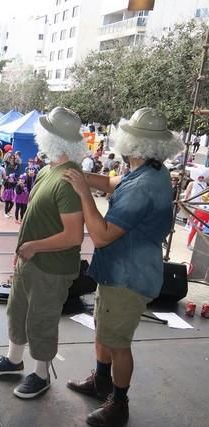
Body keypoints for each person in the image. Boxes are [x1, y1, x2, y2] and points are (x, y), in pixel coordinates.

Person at [63, 108, 183, 427]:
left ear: (133, 141)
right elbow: (113, 182)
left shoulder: (142, 186)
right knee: (104, 331)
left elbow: (101, 236)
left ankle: (119, 402)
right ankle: (101, 381)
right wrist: (77, 173)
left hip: (128, 277)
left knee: (117, 343)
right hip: (118, 271)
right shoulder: (149, 171)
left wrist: (83, 192)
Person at [0, 107, 87, 400]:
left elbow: (74, 235)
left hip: (51, 267)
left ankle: (41, 374)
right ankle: (14, 359)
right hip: (31, 261)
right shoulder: (46, 170)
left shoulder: (67, 179)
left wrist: (33, 246)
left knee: (41, 319)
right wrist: (25, 250)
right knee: (18, 311)